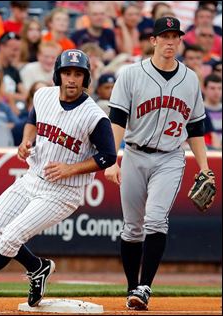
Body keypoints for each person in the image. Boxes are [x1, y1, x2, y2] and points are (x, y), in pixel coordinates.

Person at [0, 49, 117, 307]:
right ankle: (37, 267)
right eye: (67, 72)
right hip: (33, 177)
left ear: (86, 78)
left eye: (78, 74)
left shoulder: (95, 117)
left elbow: (108, 156)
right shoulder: (43, 95)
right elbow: (32, 120)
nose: (72, 79)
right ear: (58, 74)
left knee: (10, 238)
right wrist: (26, 140)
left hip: (63, 191)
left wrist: (70, 169)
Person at [104, 17, 214, 311]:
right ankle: (131, 288)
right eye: (163, 36)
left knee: (155, 220)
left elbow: (195, 128)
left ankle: (145, 286)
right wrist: (112, 159)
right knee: (131, 229)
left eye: (174, 36)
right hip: (135, 154)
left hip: (169, 157)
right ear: (152, 40)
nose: (169, 41)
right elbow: (117, 120)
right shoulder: (130, 74)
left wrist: (204, 166)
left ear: (180, 40)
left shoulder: (190, 79)